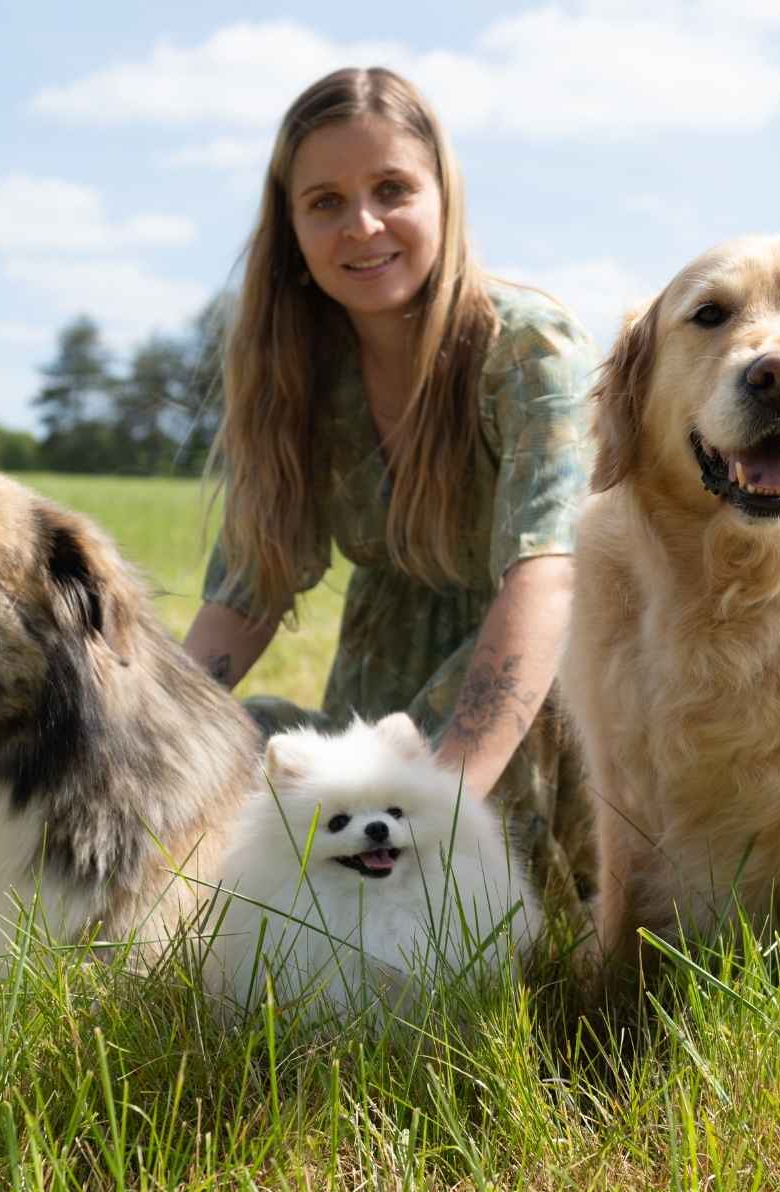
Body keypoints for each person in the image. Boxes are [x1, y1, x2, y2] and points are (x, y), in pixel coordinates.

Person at [180, 66, 599, 910]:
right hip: (380, 681)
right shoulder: (296, 369)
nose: (362, 225)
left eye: (392, 190)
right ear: (291, 226)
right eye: (325, 202)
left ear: (443, 196)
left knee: (443, 897)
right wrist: (143, 740)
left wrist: (444, 807)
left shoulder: (530, 350)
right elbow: (245, 596)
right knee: (230, 749)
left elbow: (547, 579)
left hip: (535, 674)